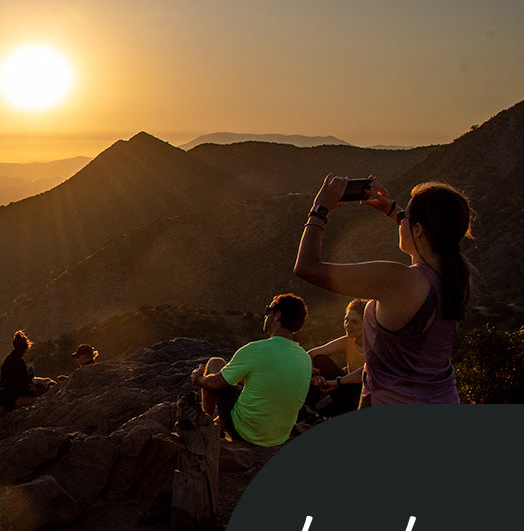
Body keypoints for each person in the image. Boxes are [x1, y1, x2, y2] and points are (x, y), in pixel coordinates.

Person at [294, 175, 474, 405]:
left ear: (418, 229)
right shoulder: (455, 278)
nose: (402, 220)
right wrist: (394, 211)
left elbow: (306, 267)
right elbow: (428, 234)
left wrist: (319, 209)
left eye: (406, 218)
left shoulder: (398, 279)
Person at [191, 294, 313, 447]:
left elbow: (215, 383)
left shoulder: (255, 349)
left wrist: (198, 379)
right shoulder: (305, 358)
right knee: (253, 387)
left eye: (268, 310)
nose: (265, 315)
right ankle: (218, 424)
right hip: (278, 436)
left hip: (245, 432)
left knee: (216, 363)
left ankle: (204, 428)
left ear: (277, 316)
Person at [305, 299, 367, 417]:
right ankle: (308, 407)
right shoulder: (347, 341)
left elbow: (365, 373)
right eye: (346, 320)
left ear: (367, 323)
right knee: (320, 360)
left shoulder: (377, 345)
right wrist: (315, 376)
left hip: (364, 394)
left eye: (355, 322)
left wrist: (338, 382)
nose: (348, 326)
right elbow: (311, 354)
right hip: (345, 388)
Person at [0, 331, 55, 410]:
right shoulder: (18, 362)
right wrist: (35, 394)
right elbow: (22, 386)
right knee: (39, 401)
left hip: (3, 396)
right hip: (10, 400)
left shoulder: (8, 359)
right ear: (22, 348)